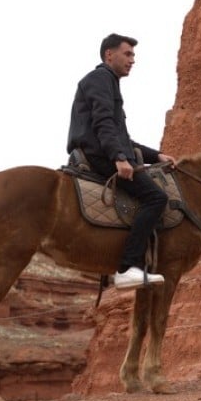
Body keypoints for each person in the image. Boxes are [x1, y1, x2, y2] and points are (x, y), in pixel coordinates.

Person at [68, 33, 174, 290]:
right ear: (109, 54)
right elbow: (103, 124)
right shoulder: (101, 79)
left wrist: (155, 156)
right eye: (128, 54)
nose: (132, 60)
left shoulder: (108, 82)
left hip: (103, 151)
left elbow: (123, 138)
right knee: (156, 198)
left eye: (133, 55)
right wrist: (119, 158)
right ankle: (127, 268)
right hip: (99, 156)